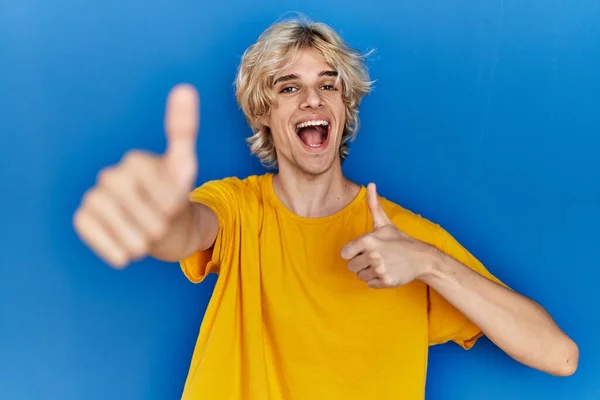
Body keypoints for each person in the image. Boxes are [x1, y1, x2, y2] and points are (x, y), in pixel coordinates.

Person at [73, 15, 579, 400]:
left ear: (344, 108)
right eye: (289, 87)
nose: (312, 99)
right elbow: (185, 232)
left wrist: (428, 262)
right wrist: (155, 214)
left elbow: (560, 355)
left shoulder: (404, 236)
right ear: (264, 115)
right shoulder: (239, 208)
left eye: (328, 84)